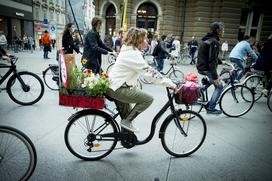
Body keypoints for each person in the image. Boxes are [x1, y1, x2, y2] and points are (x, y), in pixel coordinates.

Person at [107, 27, 176, 132]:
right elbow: (149, 73)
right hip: (118, 88)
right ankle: (126, 122)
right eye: (145, 39)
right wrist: (169, 83)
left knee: (128, 115)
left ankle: (127, 136)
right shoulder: (132, 54)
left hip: (116, 86)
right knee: (148, 99)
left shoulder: (129, 50)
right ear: (138, 41)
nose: (147, 41)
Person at [196, 21, 225, 114]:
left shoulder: (207, 39)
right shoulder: (214, 42)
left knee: (210, 81)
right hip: (207, 68)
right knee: (220, 86)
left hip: (201, 66)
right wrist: (215, 77)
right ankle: (211, 108)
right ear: (218, 31)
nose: (223, 32)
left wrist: (221, 61)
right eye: (222, 30)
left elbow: (210, 56)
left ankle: (198, 92)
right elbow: (212, 61)